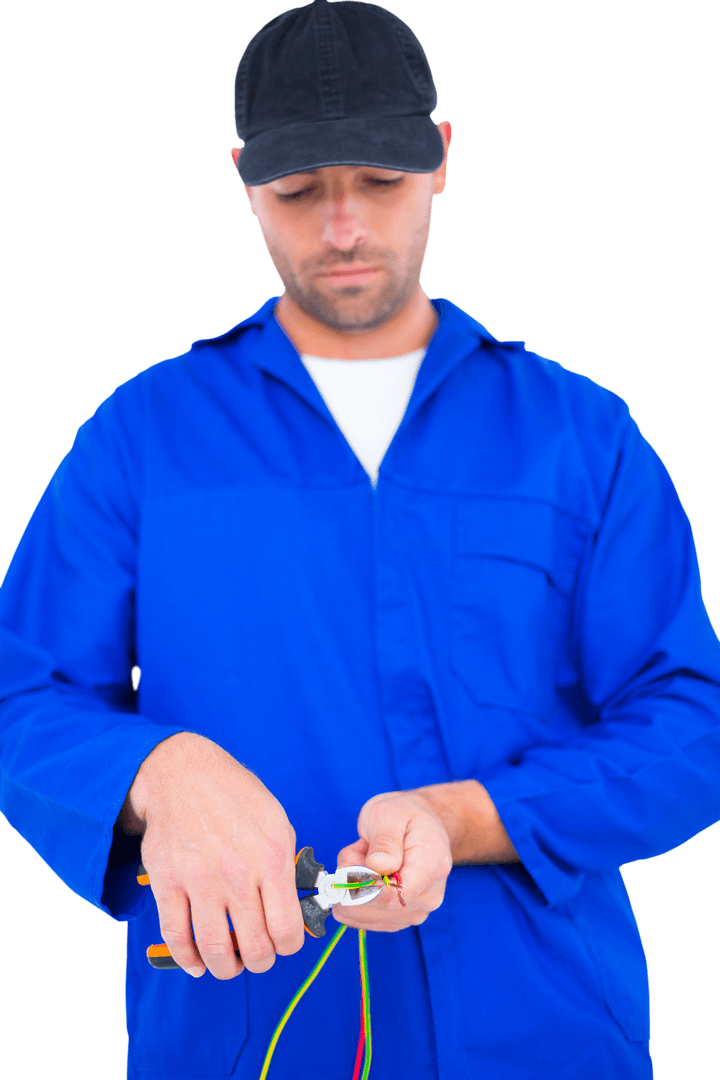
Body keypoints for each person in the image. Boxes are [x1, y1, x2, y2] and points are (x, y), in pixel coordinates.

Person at [1, 1, 719, 1077]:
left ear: (438, 159)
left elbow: (692, 722)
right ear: (246, 179)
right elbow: (21, 691)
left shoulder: (580, 433)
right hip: (241, 1037)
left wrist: (467, 817)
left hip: (548, 1033)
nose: (342, 228)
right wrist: (157, 769)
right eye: (299, 192)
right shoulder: (142, 436)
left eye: (379, 183)